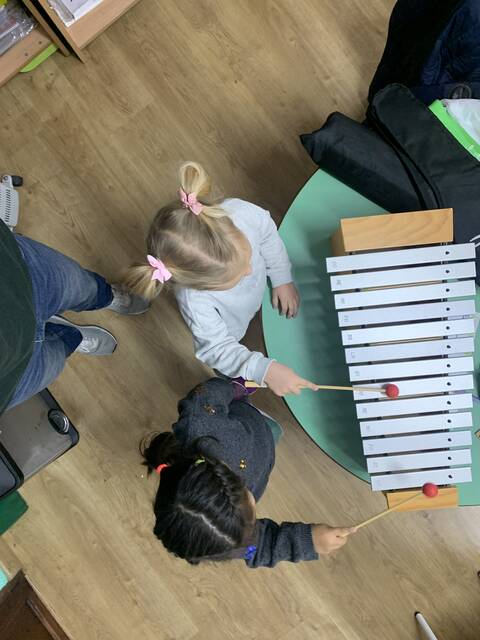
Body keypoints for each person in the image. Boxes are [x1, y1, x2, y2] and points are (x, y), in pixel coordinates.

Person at [125, 161, 319, 396]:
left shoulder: (242, 214)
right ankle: (234, 379)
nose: (250, 270)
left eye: (248, 257)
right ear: (204, 286)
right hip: (233, 333)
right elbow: (217, 348)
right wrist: (262, 369)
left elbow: (268, 235)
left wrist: (281, 276)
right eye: (236, 276)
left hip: (248, 307)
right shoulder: (195, 302)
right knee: (230, 366)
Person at [141, 377, 355, 568]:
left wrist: (234, 388)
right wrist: (308, 541)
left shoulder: (202, 428)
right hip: (262, 448)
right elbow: (260, 548)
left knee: (271, 427)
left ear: (227, 479)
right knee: (275, 431)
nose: (254, 527)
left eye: (249, 506)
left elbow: (203, 396)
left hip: (244, 417)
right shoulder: (230, 541)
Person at [0, 218, 148, 414]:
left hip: (13, 272)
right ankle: (66, 335)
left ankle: (107, 296)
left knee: (81, 286)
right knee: (57, 356)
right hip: (11, 378)